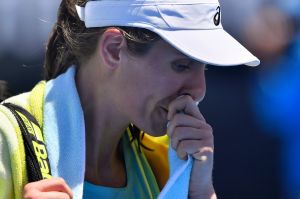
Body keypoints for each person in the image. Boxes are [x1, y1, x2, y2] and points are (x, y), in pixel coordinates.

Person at [0, 0, 259, 198]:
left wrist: (200, 191)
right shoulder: (5, 136)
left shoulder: (168, 157)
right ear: (113, 50)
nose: (198, 89)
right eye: (181, 66)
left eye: (204, 68)